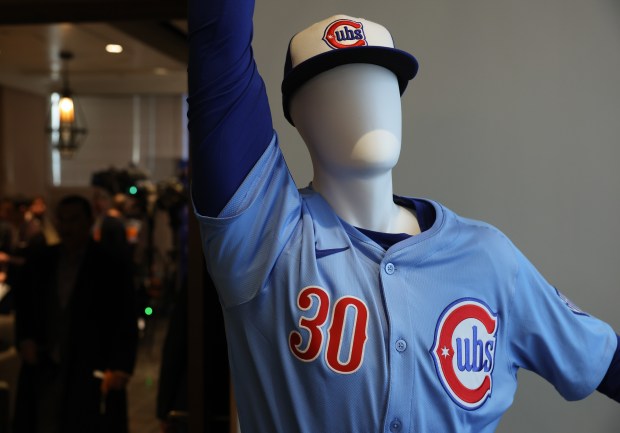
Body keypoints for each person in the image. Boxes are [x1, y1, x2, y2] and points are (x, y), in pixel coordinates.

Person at [187, 1, 620, 432]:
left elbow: (601, 360)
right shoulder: (266, 235)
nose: (364, 102)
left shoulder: (487, 256)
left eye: (382, 83)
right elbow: (219, 43)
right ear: (297, 117)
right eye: (333, 88)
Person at [12, 194, 138, 433]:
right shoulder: (41, 261)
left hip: (91, 367)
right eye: (62, 220)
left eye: (74, 220)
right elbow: (26, 307)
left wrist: (121, 366)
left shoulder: (110, 264)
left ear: (89, 221)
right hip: (45, 367)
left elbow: (125, 317)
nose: (67, 227)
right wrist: (25, 339)